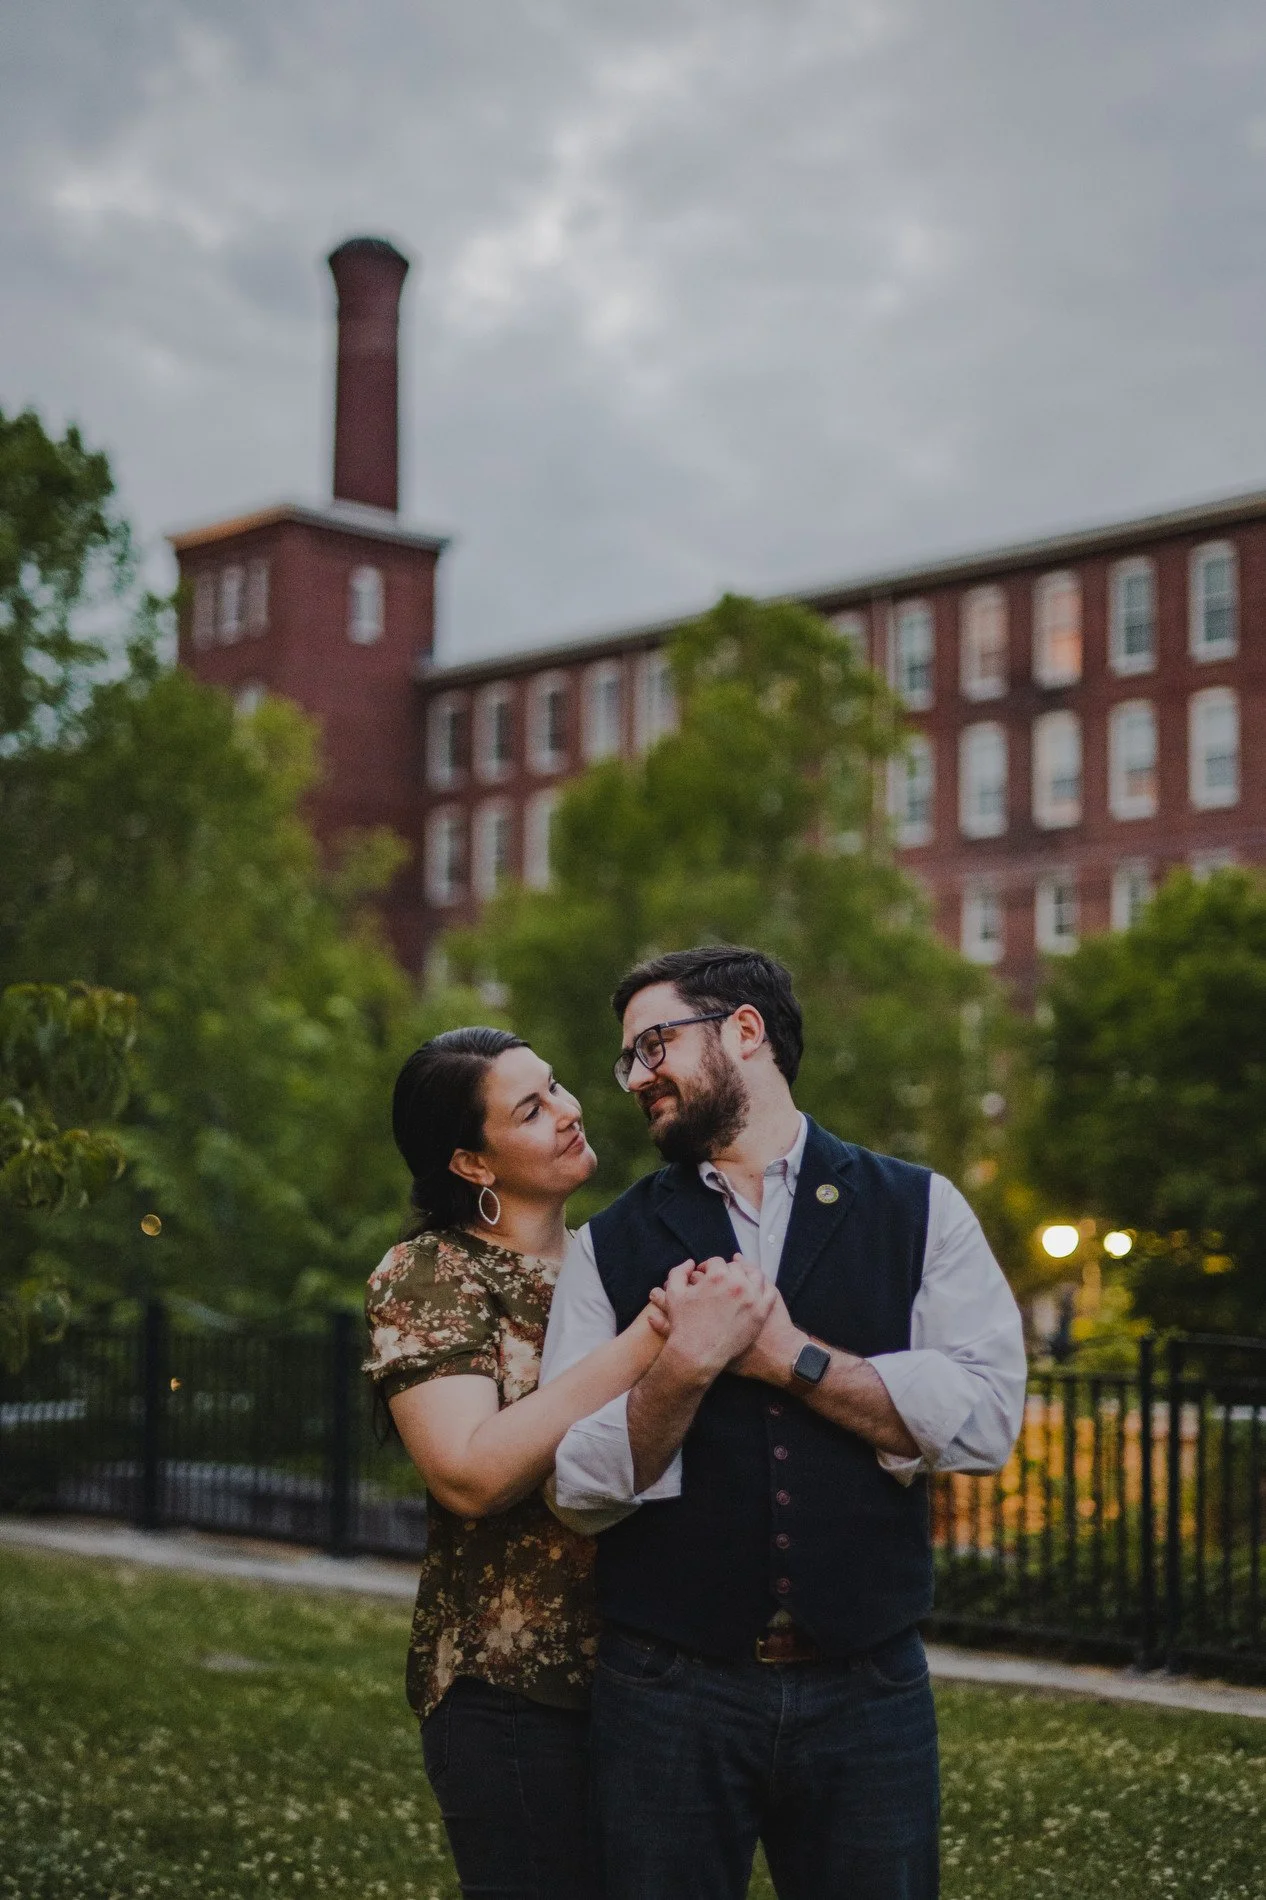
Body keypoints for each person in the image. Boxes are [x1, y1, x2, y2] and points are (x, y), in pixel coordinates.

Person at [540, 946, 1028, 1900]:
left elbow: (985, 1419)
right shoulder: (608, 1245)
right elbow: (575, 1484)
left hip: (870, 1688)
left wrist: (791, 1359)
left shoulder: (920, 1206)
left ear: (745, 1031)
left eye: (653, 1045)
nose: (636, 1078)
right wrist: (684, 1366)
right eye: (627, 1060)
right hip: (666, 1690)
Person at [363, 1027, 671, 1900]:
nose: (569, 1112)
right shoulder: (433, 1272)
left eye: (558, 1087)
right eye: (531, 1110)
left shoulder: (616, 1260)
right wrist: (644, 1343)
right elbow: (467, 1474)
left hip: (656, 1678)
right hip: (513, 1692)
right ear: (472, 1162)